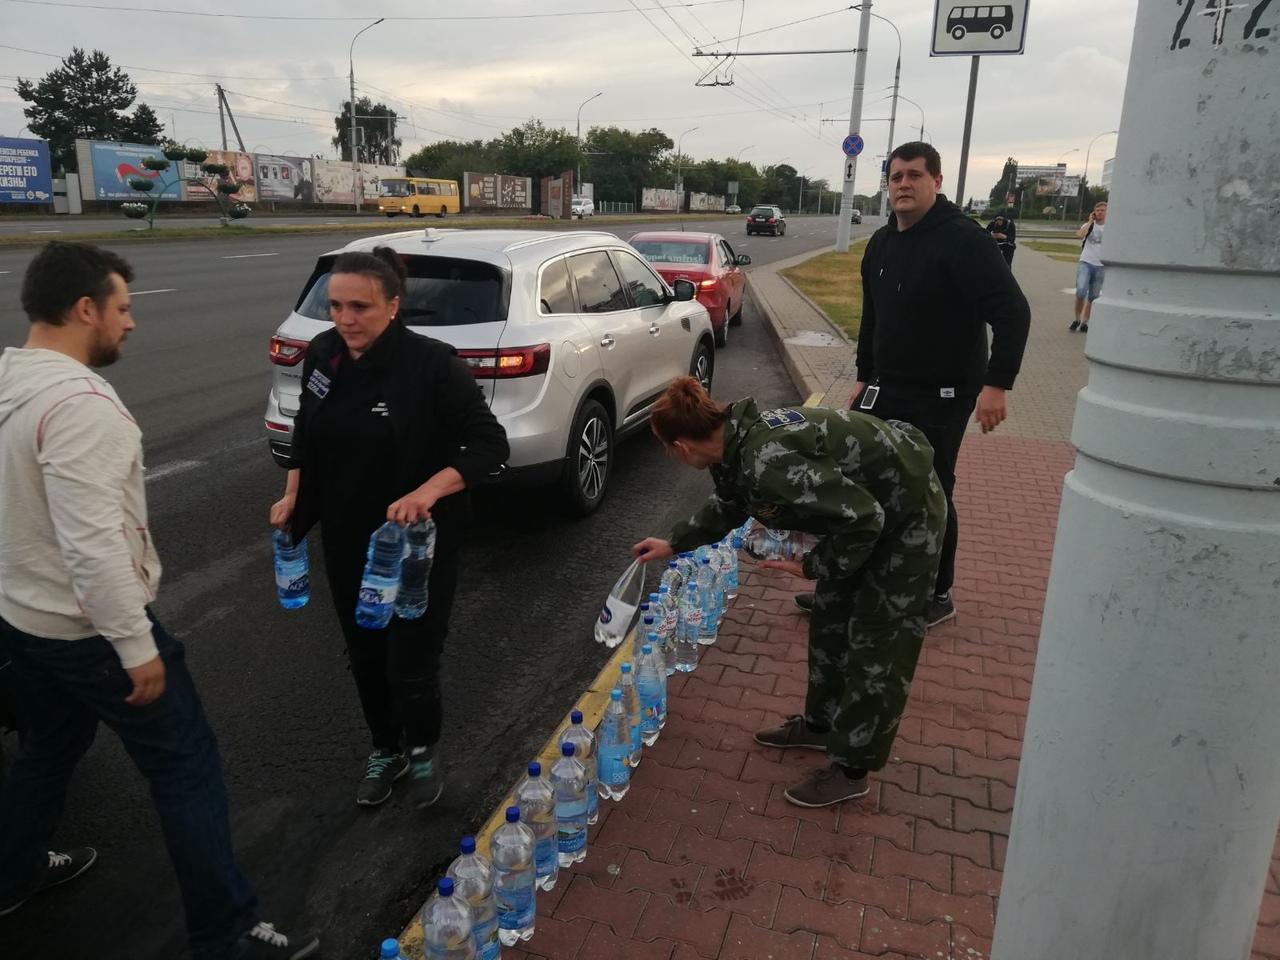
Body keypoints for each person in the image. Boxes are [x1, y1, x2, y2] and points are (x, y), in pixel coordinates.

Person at [0, 241, 317, 959]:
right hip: (88, 631)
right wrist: (134, 647)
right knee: (186, 766)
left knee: (49, 747)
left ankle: (13, 872)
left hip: (20, 620)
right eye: (123, 308)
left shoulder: (9, 380)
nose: (131, 323)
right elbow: (93, 546)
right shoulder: (79, 407)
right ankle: (226, 933)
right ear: (86, 309)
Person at [632, 378, 946, 808]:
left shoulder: (767, 461)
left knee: (878, 644)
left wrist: (812, 567)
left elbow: (865, 518)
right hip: (861, 520)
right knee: (831, 623)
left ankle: (853, 769)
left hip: (905, 519)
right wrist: (674, 542)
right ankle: (821, 725)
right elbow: (731, 503)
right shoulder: (734, 446)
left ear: (682, 447)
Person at [269, 246, 508, 809]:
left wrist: (427, 492)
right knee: (365, 650)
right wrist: (291, 497)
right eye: (335, 306)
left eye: (360, 307)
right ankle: (386, 749)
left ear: (394, 305)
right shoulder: (324, 354)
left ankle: (422, 747)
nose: (345, 320)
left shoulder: (432, 365)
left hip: (420, 544)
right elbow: (306, 432)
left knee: (412, 658)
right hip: (350, 536)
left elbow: (489, 445)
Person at [792, 142, 1030, 628]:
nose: (903, 184)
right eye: (896, 176)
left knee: (931, 489)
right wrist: (863, 377)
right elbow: (873, 318)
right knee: (865, 484)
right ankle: (852, 585)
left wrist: (996, 385)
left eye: (914, 176)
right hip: (886, 386)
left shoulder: (964, 241)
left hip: (943, 394)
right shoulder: (881, 244)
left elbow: (1013, 312)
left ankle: (937, 592)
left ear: (936, 182)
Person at [1071, 201, 1108, 333]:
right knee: (1081, 291)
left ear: (1107, 212)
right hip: (1086, 262)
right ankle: (1076, 319)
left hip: (1101, 266)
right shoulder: (1089, 225)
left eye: (1103, 210)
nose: (1100, 213)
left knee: (1093, 296)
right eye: (1098, 210)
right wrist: (1090, 222)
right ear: (1094, 212)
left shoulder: (1111, 228)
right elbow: (1080, 235)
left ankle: (1085, 322)